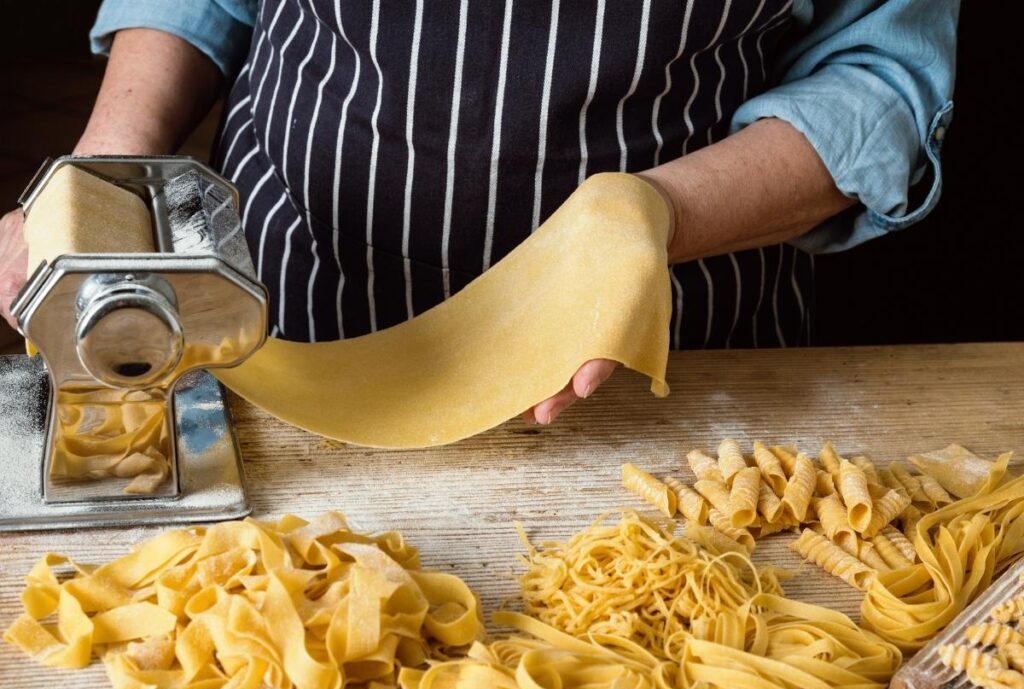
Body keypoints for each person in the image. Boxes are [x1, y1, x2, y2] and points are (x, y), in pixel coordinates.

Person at [0, 0, 958, 424]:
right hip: (282, 315)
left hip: (657, 362)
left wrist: (651, 214)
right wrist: (106, 179)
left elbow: (881, 81)